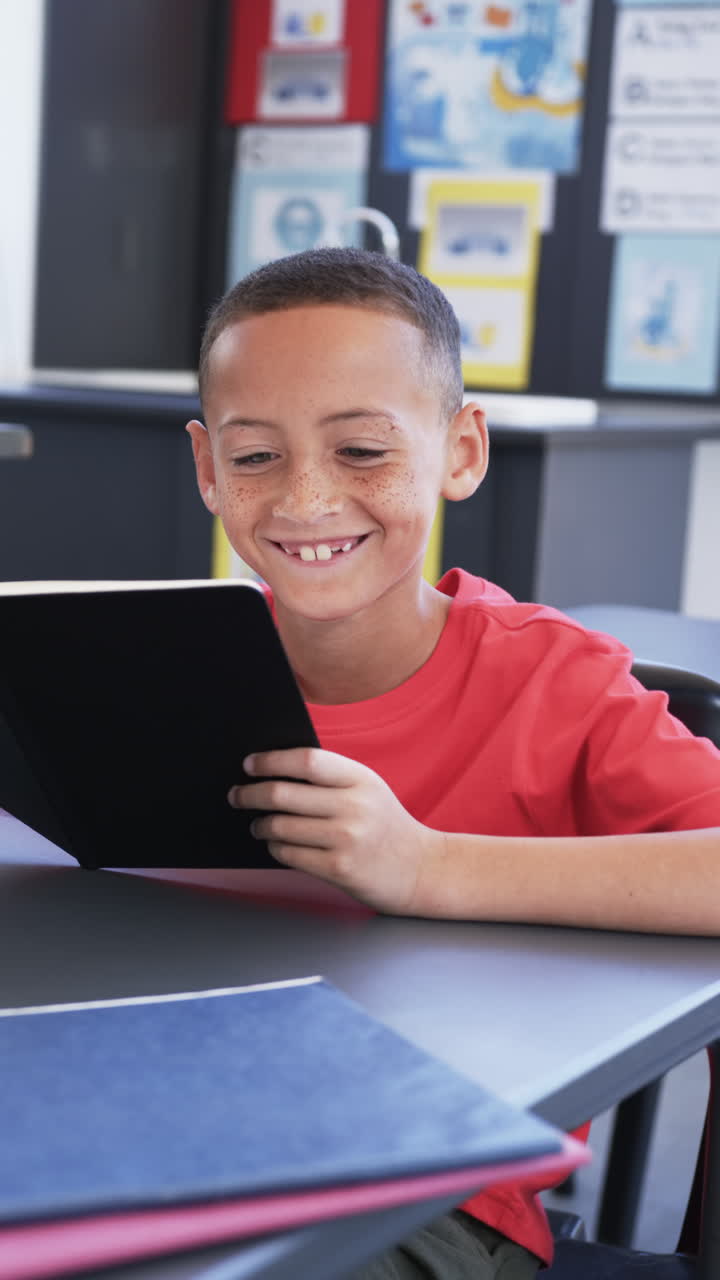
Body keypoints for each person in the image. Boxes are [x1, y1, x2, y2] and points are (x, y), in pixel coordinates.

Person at [186, 247, 720, 1280]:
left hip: (416, 1188)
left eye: (362, 451)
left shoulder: (550, 681)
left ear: (460, 448)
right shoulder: (153, 663)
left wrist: (428, 865)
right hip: (163, 1132)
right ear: (208, 468)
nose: (305, 498)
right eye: (256, 458)